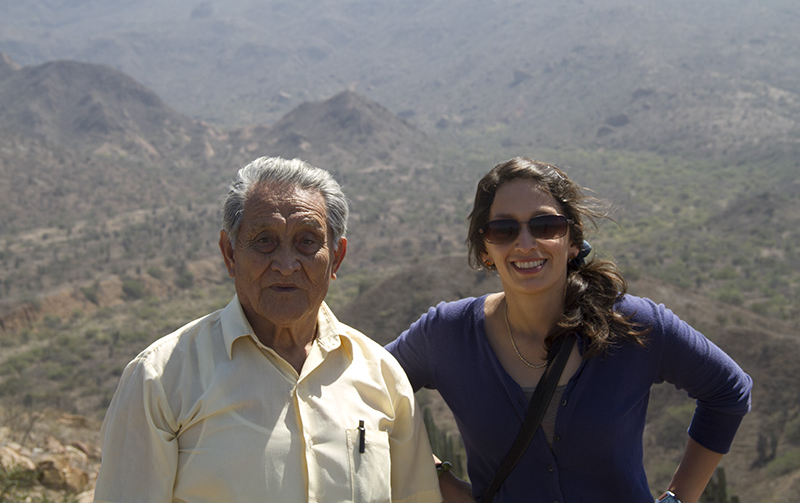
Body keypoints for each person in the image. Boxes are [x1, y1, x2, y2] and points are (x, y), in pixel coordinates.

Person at [386, 157, 752, 503]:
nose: (526, 243)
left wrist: (680, 497)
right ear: (485, 248)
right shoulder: (448, 334)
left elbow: (728, 390)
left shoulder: (632, 325)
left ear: (572, 241)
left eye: (546, 226)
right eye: (504, 229)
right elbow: (361, 391)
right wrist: (439, 479)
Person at [95, 156, 442, 502]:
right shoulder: (160, 379)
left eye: (308, 241)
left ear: (336, 258)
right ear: (230, 255)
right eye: (265, 241)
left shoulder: (381, 375)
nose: (287, 265)